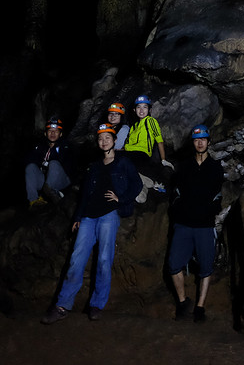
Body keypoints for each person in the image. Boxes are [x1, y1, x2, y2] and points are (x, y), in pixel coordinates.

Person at [41, 124, 143, 323]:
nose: (104, 141)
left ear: (114, 140)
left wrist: (121, 198)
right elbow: (84, 195)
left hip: (109, 214)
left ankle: (96, 305)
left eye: (107, 138)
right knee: (76, 260)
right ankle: (62, 306)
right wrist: (78, 217)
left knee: (104, 260)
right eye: (100, 139)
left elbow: (137, 184)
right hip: (88, 217)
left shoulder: (123, 162)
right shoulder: (94, 167)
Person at [167, 125, 225, 323]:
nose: (200, 143)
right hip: (183, 224)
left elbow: (218, 195)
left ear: (208, 141)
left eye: (203, 139)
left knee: (206, 266)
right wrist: (178, 210)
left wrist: (211, 209)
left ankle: (200, 306)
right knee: (174, 264)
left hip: (204, 225)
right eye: (196, 139)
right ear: (193, 142)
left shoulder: (215, 167)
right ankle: (183, 302)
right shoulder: (184, 166)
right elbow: (175, 192)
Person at [125, 95, 174, 201]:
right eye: (139, 107)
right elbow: (127, 146)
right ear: (134, 110)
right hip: (130, 155)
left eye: (145, 107)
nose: (141, 110)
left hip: (141, 154)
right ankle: (143, 187)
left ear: (149, 109)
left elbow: (159, 141)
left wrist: (163, 159)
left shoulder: (150, 121)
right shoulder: (133, 127)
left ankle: (147, 182)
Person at [24, 116, 78, 209]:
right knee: (30, 167)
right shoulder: (40, 146)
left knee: (54, 164)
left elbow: (69, 168)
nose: (53, 133)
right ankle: (34, 200)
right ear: (45, 133)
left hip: (62, 181)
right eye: (50, 131)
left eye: (56, 131)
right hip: (45, 181)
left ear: (60, 134)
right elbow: (29, 161)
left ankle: (49, 194)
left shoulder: (66, 147)